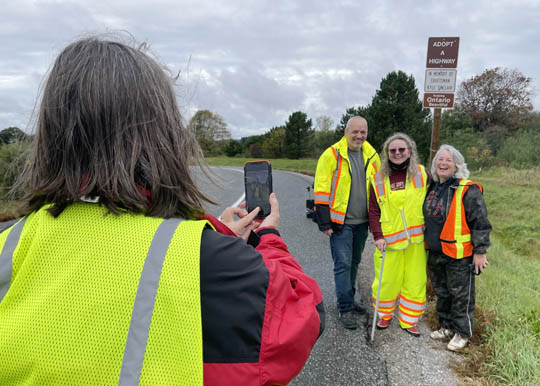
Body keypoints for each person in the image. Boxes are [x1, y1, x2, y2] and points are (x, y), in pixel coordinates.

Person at [0, 36, 324, 385]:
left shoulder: (9, 242)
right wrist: (268, 237)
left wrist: (215, 232)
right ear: (164, 137)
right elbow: (303, 315)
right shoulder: (210, 261)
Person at [313, 116, 380, 329]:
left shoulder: (372, 155)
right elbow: (321, 188)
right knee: (342, 264)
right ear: (346, 132)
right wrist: (324, 222)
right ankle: (345, 308)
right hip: (340, 222)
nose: (359, 136)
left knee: (354, 262)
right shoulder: (331, 155)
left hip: (363, 222)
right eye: (355, 132)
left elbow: (379, 188)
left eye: (363, 132)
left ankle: (349, 299)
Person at [423, 144, 491, 351]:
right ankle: (447, 326)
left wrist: (480, 252)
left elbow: (480, 222)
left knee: (460, 295)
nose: (443, 163)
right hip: (435, 251)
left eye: (448, 160)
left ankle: (463, 332)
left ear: (457, 165)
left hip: (460, 254)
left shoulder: (467, 189)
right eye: (440, 159)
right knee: (442, 292)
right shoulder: (432, 186)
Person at [368, 133, 428, 337]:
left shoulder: (422, 173)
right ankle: (384, 314)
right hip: (389, 242)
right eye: (392, 150)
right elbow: (373, 210)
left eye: (401, 149)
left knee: (415, 280)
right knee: (386, 280)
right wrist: (378, 236)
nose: (397, 153)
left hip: (416, 241)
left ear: (410, 151)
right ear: (387, 154)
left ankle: (409, 319)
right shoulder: (378, 178)